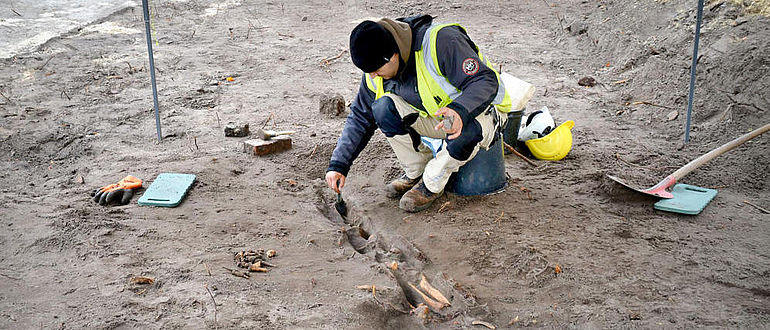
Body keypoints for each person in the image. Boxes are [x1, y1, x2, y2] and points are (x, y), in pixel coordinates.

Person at [325, 14, 513, 212]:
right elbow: (360, 117)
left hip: (481, 112)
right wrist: (339, 164)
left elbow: (484, 80)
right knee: (381, 108)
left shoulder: (442, 42)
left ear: (393, 55)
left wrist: (459, 111)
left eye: (375, 69)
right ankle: (416, 171)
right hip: (437, 118)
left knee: (462, 130)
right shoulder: (376, 67)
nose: (372, 75)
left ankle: (431, 184)